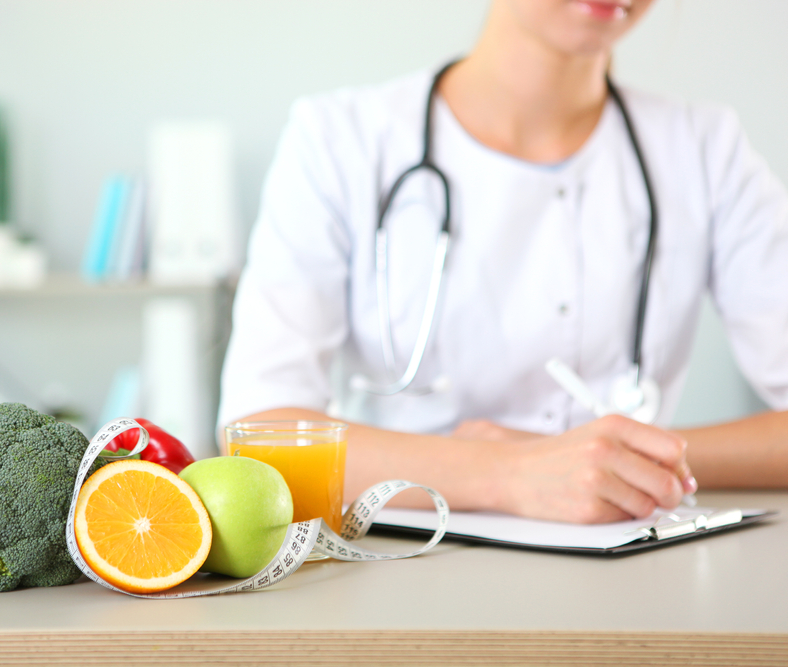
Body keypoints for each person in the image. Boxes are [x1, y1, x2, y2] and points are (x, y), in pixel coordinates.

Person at [218, 0, 788, 523]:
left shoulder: (703, 147)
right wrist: (510, 473)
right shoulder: (340, 141)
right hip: (405, 558)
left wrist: (612, 464)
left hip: (631, 560)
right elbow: (257, 432)